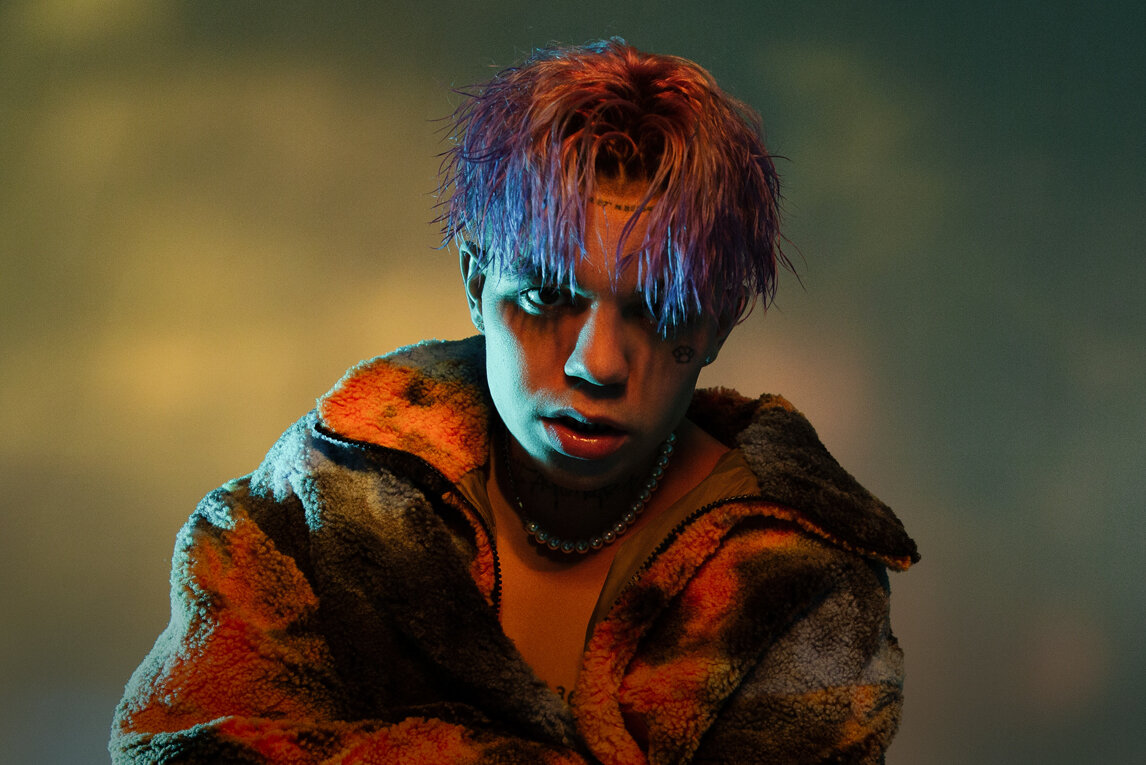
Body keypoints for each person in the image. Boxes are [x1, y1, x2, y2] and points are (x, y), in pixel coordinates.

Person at [110, 39, 918, 764]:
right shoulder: (318, 508)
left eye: (656, 309)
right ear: (475, 281)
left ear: (719, 322)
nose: (597, 364)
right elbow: (181, 748)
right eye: (547, 297)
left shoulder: (798, 582)